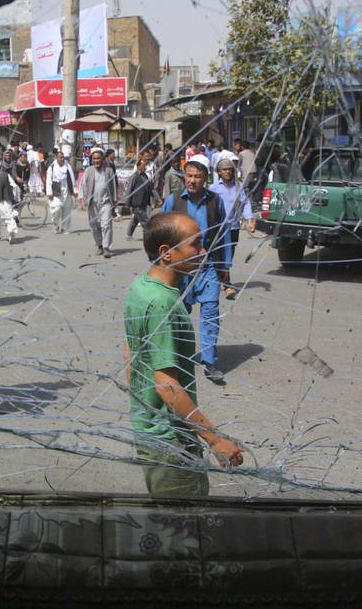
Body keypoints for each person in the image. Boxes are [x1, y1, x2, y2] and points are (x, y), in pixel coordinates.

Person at [124, 211, 245, 496]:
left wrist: (146, 415)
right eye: (195, 244)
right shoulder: (164, 303)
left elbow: (132, 356)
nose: (203, 251)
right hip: (171, 443)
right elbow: (166, 384)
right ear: (166, 253)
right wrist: (215, 440)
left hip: (148, 429)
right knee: (186, 528)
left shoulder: (140, 288)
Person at [161, 160, 230, 383]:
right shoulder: (173, 202)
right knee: (180, 314)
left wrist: (224, 266)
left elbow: (223, 232)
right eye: (189, 176)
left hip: (207, 266)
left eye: (197, 176)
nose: (192, 180)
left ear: (205, 179)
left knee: (211, 312)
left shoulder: (215, 202)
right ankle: (177, 359)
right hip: (181, 269)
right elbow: (159, 230)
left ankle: (209, 362)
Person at [209, 157, 255, 298]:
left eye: (229, 169)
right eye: (224, 169)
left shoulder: (238, 186)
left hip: (234, 227)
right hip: (219, 228)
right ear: (219, 172)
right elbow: (209, 207)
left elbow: (245, 203)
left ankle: (222, 278)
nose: (227, 172)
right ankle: (227, 284)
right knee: (222, 255)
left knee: (230, 255)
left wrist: (250, 220)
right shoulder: (214, 188)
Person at [79, 148, 117, 257]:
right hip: (93, 203)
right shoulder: (89, 170)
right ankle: (99, 246)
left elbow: (113, 184)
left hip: (106, 202)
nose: (96, 161)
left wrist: (114, 198)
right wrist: (82, 197)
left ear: (102, 159)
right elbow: (82, 184)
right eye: (94, 159)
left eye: (98, 158)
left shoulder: (108, 170)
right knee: (95, 225)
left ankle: (106, 248)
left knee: (106, 224)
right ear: (92, 160)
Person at [124, 149, 161, 240]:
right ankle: (149, 236)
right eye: (143, 165)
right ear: (139, 166)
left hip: (144, 200)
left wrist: (158, 198)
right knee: (145, 220)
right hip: (137, 202)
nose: (145, 167)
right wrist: (127, 203)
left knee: (136, 218)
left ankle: (128, 234)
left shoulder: (145, 176)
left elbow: (151, 188)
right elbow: (129, 190)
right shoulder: (134, 177)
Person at [46, 149, 76, 234]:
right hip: (56, 189)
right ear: (57, 158)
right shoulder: (51, 167)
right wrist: (49, 192)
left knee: (66, 209)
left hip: (66, 188)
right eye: (60, 157)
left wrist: (74, 190)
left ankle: (65, 228)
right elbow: (48, 180)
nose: (62, 159)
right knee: (56, 208)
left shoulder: (67, 166)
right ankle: (56, 224)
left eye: (63, 157)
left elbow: (72, 178)